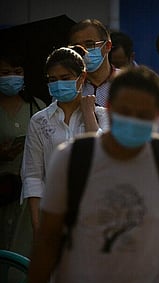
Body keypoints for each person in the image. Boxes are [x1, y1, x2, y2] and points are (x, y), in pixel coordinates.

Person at [25, 65, 159, 283]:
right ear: (109, 110)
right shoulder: (72, 158)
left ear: (157, 116)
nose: (133, 119)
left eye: (142, 114)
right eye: (125, 111)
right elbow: (48, 237)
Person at [21, 46, 109, 236]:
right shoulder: (39, 120)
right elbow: (33, 177)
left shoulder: (101, 116)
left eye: (65, 78)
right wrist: (37, 227)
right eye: (53, 80)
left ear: (82, 77)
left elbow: (106, 159)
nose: (59, 84)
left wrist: (88, 116)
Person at [0, 51, 45, 251]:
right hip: (2, 188)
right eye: (5, 72)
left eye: (17, 72)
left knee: (24, 247)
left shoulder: (36, 106)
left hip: (28, 191)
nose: (12, 77)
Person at [68, 19, 118, 107]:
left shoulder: (128, 82)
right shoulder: (69, 87)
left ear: (107, 46)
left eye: (89, 44)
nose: (83, 51)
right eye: (77, 47)